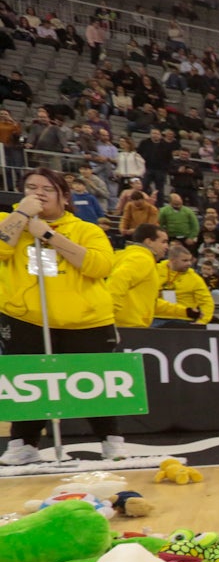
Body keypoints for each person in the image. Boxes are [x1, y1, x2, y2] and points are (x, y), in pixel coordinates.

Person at [0, 168, 122, 463]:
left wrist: (50, 235)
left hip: (85, 320)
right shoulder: (8, 222)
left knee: (92, 382)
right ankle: (24, 443)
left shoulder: (87, 229)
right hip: (25, 318)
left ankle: (110, 442)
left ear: (64, 197)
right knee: (30, 380)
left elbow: (99, 267)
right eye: (31, 187)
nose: (38, 193)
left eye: (47, 188)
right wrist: (22, 217)